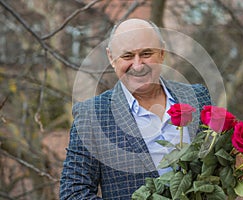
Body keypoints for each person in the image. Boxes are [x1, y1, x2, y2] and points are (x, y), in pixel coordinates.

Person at [59, 18, 213, 199]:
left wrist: (242, 170)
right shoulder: (91, 116)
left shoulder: (197, 97)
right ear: (111, 58)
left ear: (162, 53)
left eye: (146, 53)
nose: (138, 65)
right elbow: (73, 193)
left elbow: (223, 166)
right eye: (127, 56)